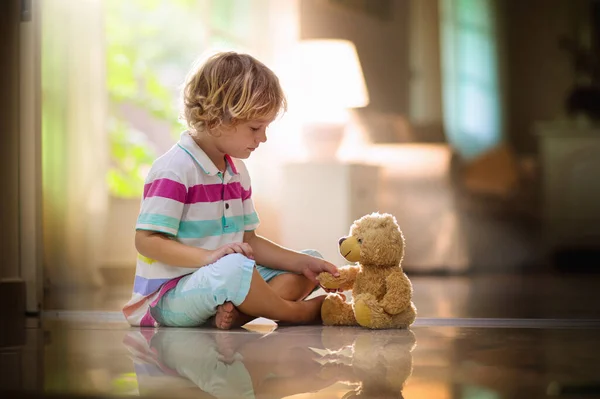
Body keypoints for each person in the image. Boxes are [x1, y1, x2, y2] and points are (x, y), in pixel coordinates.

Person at [122, 51, 340, 329]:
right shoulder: (174, 169)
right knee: (234, 268)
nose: (263, 138)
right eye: (255, 128)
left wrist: (302, 262)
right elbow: (147, 241)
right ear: (217, 119)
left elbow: (251, 241)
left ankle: (240, 313)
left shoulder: (236, 171)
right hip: (168, 298)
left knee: (309, 263)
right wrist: (208, 258)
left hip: (219, 280)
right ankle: (298, 313)